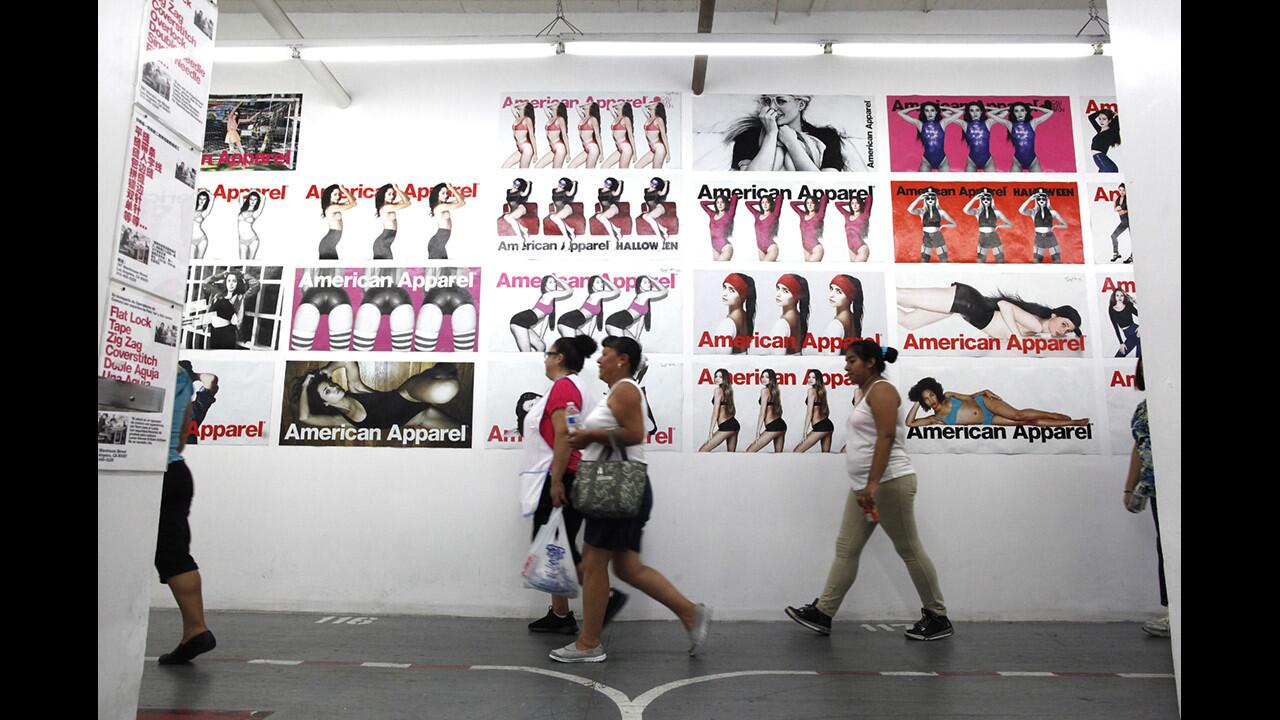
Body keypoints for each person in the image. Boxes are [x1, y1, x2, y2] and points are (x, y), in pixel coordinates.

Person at [553, 336, 711, 662]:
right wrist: (587, 437)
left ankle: (588, 643)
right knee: (627, 568)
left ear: (622, 359)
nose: (599, 360)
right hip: (624, 490)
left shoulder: (625, 389)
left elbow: (635, 433)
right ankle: (691, 614)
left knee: (594, 563)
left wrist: (589, 435)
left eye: (605, 354)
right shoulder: (616, 392)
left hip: (616, 488)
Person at [786, 341, 952, 640]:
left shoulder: (883, 391)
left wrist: (873, 483)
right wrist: (866, 485)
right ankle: (824, 612)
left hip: (889, 483)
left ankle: (938, 617)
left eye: (852, 361)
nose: (846, 367)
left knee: (909, 549)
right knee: (846, 549)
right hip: (865, 488)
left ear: (871, 362)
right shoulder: (866, 392)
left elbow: (887, 436)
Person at [519, 336, 620, 636]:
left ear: (559, 358)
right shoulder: (571, 387)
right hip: (567, 473)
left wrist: (556, 481)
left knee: (556, 545)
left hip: (565, 475)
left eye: (548, 354)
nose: (545, 359)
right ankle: (560, 614)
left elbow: (565, 436)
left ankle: (605, 597)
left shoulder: (564, 387)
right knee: (555, 543)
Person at [154, 365, 216, 664]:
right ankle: (195, 629)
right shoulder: (179, 374)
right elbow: (179, 438)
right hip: (175, 471)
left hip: (140, 473)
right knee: (174, 555)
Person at [1123, 359, 1168, 637]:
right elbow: (1139, 447)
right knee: (1167, 548)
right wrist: (1130, 487)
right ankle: (1173, 611)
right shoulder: (1145, 409)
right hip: (1156, 491)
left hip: (1172, 487)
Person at [297, 361, 462, 431]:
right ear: (325, 403)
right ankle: (437, 374)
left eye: (331, 384)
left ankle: (436, 372)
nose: (334, 387)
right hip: (421, 417)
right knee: (466, 433)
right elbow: (304, 417)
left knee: (446, 389)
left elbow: (347, 360)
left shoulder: (355, 388)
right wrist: (305, 387)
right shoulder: (339, 421)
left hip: (409, 393)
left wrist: (326, 370)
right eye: (328, 392)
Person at [897, 283, 1083, 339]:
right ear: (1055, 315)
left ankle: (873, 295)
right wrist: (1017, 336)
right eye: (1064, 324)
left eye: (1068, 330)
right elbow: (1004, 305)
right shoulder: (1035, 323)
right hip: (966, 302)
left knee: (909, 322)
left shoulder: (1037, 329)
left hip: (965, 307)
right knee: (901, 296)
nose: (1063, 330)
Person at [728, 94, 851, 171]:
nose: (772, 107)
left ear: (801, 105)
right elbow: (749, 183)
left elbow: (826, 187)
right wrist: (771, 135)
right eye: (766, 100)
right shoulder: (747, 136)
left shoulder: (826, 136)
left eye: (781, 101)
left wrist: (791, 143)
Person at [906, 377, 1088, 427]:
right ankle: (1072, 423)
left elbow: (969, 397)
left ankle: (1052, 415)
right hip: (988, 421)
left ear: (936, 393)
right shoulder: (935, 419)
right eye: (925, 399)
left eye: (931, 395)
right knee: (1026, 422)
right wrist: (916, 400)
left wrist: (983, 391)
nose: (930, 400)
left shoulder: (949, 395)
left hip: (985, 404)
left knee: (1018, 415)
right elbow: (910, 423)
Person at [290, 268, 354, 351]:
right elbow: (338, 282)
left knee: (299, 351)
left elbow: (306, 286)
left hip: (313, 295)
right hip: (338, 296)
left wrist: (309, 296)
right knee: (339, 353)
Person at [510, 275, 573, 352]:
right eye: (550, 282)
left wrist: (541, 336)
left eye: (554, 282)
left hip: (524, 323)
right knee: (526, 353)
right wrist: (558, 279)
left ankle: (535, 362)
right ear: (545, 286)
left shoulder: (550, 299)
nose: (554, 284)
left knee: (541, 346)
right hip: (520, 321)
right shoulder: (549, 295)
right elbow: (570, 290)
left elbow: (546, 320)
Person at [202, 269, 260, 350]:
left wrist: (242, 275)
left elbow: (255, 284)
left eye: (234, 281)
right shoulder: (218, 294)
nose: (231, 284)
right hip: (214, 332)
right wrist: (222, 275)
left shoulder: (240, 298)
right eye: (229, 281)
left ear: (238, 283)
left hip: (227, 333)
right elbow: (205, 283)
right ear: (225, 282)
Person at [897, 102, 961, 172]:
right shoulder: (920, 124)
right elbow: (900, 113)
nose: (930, 113)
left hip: (942, 161)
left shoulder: (943, 123)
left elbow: (960, 112)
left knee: (947, 183)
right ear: (924, 112)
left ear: (936, 112)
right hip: (926, 161)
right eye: (927, 111)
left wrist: (942, 107)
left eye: (932, 110)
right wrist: (917, 108)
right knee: (922, 183)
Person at [993, 102, 1054, 172]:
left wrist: (1033, 107)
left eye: (1022, 110)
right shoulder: (1010, 125)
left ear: (1026, 112)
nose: (1019, 113)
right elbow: (989, 114)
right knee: (1012, 183)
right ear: (1013, 113)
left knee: (1039, 182)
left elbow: (1050, 112)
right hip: (1017, 161)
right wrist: (1007, 108)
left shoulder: (1033, 123)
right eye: (1016, 111)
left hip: (1033, 161)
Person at [604, 276, 669, 341]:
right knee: (622, 346)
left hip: (620, 323)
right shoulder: (643, 295)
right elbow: (665, 291)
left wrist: (637, 337)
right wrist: (653, 280)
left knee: (635, 345)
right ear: (639, 286)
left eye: (649, 282)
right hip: (615, 322)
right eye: (645, 282)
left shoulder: (645, 300)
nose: (648, 284)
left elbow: (641, 322)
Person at [556, 275, 621, 338]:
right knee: (572, 346)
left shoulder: (597, 299)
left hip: (571, 321)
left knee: (584, 345)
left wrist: (589, 336)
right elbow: (617, 291)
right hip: (569, 320)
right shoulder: (596, 295)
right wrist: (605, 280)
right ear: (592, 286)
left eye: (601, 282)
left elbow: (594, 320)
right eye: (598, 282)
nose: (601, 284)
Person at [1018, 189, 1068, 264]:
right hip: (1039, 238)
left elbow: (1065, 225)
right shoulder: (1033, 212)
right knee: (1037, 261)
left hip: (1050, 237)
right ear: (1036, 200)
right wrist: (1030, 198)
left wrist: (1056, 226)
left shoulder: (1053, 212)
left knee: (1057, 261)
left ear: (1047, 200)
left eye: (1043, 199)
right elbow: (1021, 210)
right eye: (1039, 199)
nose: (1041, 200)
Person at [963, 189, 1012, 264]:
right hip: (982, 236)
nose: (986, 200)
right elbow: (965, 210)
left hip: (993, 236)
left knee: (1000, 259)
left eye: (988, 198)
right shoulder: (978, 211)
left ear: (991, 200)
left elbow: (1009, 224)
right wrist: (974, 199)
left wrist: (999, 226)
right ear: (981, 200)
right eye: (983, 198)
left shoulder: (996, 212)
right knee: (981, 259)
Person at [906, 188, 956, 263]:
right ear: (925, 200)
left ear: (936, 199)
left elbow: (954, 224)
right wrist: (918, 199)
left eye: (932, 198)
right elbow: (910, 210)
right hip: (926, 237)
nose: (930, 200)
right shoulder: (922, 211)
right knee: (924, 260)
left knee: (944, 260)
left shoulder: (941, 212)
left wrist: (943, 226)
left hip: (938, 237)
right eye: (927, 198)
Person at [767, 273, 810, 356]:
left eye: (785, 291)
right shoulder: (798, 316)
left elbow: (777, 359)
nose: (778, 294)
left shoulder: (782, 324)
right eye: (778, 288)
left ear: (796, 295)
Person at [698, 368, 740, 452]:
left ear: (725, 378)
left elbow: (715, 412)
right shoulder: (728, 391)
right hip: (734, 424)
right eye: (716, 376)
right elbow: (732, 410)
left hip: (726, 426)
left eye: (720, 377)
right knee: (731, 455)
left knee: (702, 451)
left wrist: (710, 431)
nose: (717, 378)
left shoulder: (717, 390)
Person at [715, 273, 756, 356]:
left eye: (731, 290)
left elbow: (722, 360)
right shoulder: (745, 315)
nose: (725, 294)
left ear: (742, 295)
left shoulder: (728, 324)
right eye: (724, 287)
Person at [746, 368, 786, 452]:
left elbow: (762, 413)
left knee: (749, 451)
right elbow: (778, 410)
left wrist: (758, 431)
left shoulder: (764, 391)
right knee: (779, 457)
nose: (763, 379)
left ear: (772, 379)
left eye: (767, 377)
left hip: (773, 427)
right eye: (762, 376)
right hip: (781, 424)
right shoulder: (775, 391)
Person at [793, 369, 834, 452]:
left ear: (818, 379)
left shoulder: (811, 391)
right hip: (827, 424)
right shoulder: (822, 391)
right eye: (809, 377)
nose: (810, 379)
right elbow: (826, 411)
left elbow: (809, 413)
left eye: (813, 377)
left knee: (796, 451)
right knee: (826, 457)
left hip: (820, 426)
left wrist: (805, 431)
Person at [372, 184, 412, 260]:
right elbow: (407, 203)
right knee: (386, 269)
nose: (392, 196)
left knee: (387, 269)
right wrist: (396, 189)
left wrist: (397, 189)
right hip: (382, 244)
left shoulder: (390, 205)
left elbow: (408, 199)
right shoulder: (387, 207)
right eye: (389, 194)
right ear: (383, 195)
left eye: (393, 194)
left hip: (385, 243)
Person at [824, 274, 864, 350]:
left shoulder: (836, 325)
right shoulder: (853, 317)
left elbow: (831, 358)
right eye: (831, 289)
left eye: (838, 291)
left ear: (850, 296)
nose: (831, 295)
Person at [427, 183, 466, 260]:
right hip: (437, 244)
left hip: (439, 243)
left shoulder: (443, 205)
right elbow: (461, 203)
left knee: (444, 268)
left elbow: (462, 198)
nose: (446, 195)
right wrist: (450, 188)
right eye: (443, 193)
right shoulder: (440, 207)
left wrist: (451, 188)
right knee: (438, 269)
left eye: (447, 193)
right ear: (436, 195)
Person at [319, 184, 357, 260]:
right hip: (327, 245)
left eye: (339, 194)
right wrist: (343, 189)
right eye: (335, 194)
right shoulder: (332, 208)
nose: (338, 196)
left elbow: (354, 200)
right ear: (329, 196)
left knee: (332, 269)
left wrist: (344, 191)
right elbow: (353, 204)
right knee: (328, 270)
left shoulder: (335, 206)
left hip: (330, 245)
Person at [834, 192, 872, 262]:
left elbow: (869, 198)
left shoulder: (864, 215)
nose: (854, 205)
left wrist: (859, 198)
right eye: (852, 203)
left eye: (857, 203)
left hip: (861, 248)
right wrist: (849, 202)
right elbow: (837, 204)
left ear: (860, 204)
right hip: (851, 250)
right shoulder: (847, 215)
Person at [745, 192, 782, 261]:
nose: (764, 205)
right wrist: (759, 202)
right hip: (760, 248)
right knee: (763, 270)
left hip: (771, 248)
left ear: (771, 203)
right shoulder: (757, 215)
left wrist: (772, 198)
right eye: (762, 202)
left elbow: (779, 197)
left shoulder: (774, 215)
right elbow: (747, 204)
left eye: (767, 202)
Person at [790, 195, 828, 262]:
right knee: (808, 271)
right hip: (805, 249)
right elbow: (792, 204)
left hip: (816, 248)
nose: (809, 205)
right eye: (808, 203)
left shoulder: (819, 215)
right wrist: (804, 202)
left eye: (812, 203)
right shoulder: (802, 215)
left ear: (815, 204)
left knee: (812, 269)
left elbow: (824, 198)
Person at [700, 195, 737, 261]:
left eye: (722, 202)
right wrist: (714, 202)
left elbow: (735, 197)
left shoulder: (729, 215)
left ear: (725, 203)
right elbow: (702, 203)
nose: (719, 205)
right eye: (718, 202)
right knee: (717, 270)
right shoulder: (712, 214)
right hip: (715, 249)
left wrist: (728, 201)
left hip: (725, 248)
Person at [503, 102, 538, 169]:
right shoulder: (518, 118)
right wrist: (518, 105)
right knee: (505, 166)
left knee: (523, 170)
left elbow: (532, 137)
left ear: (526, 108)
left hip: (527, 148)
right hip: (520, 148)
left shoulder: (527, 120)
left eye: (523, 104)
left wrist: (535, 154)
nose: (520, 103)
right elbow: (512, 106)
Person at [636, 102, 670, 169]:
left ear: (657, 108)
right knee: (637, 167)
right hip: (652, 148)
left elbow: (664, 136)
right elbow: (643, 106)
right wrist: (653, 103)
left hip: (659, 148)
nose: (651, 104)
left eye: (653, 104)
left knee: (656, 170)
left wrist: (668, 153)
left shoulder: (659, 120)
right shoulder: (649, 118)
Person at [569, 102, 603, 169]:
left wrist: (601, 153)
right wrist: (587, 104)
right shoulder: (584, 118)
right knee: (571, 166)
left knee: (589, 169)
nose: (586, 104)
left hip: (593, 148)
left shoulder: (593, 119)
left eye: (588, 104)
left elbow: (598, 137)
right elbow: (577, 106)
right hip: (586, 148)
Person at [536, 102, 571, 169]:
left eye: (555, 104)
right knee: (538, 167)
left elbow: (565, 136)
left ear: (559, 108)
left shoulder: (560, 119)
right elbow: (544, 106)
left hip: (559, 148)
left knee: (556, 169)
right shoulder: (551, 118)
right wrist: (551, 105)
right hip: (553, 148)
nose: (552, 104)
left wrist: (568, 153)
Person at [602, 103, 636, 169]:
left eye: (621, 104)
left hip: (626, 148)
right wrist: (619, 104)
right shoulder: (617, 117)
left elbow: (631, 136)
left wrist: (634, 153)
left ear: (624, 107)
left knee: (622, 170)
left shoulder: (626, 119)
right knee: (604, 166)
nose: (618, 104)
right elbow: (610, 105)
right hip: (619, 147)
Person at [1109, 288, 1141, 358]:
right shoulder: (1111, 309)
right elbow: (1116, 328)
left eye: (1121, 295)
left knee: (1139, 359)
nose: (1119, 298)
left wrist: (1141, 327)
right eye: (1117, 295)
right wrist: (1121, 343)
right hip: (1129, 335)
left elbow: (1142, 315)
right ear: (1114, 297)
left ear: (1124, 296)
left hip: (1136, 332)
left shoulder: (1128, 306)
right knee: (1117, 358)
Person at [1088, 107, 1121, 173]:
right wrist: (1102, 111)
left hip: (1101, 157)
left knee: (1105, 175)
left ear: (1109, 120)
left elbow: (1118, 120)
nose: (1101, 121)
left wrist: (1116, 115)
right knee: (1102, 178)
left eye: (1104, 119)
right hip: (1101, 159)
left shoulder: (1111, 132)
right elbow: (1091, 117)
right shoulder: (1100, 130)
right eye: (1100, 119)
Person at [640, 177, 671, 243]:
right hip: (653, 209)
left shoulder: (658, 191)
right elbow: (647, 201)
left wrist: (666, 183)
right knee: (644, 216)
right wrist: (647, 209)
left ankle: (660, 238)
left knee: (648, 217)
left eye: (655, 183)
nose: (653, 184)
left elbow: (663, 193)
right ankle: (663, 229)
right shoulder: (645, 190)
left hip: (660, 208)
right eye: (652, 182)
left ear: (657, 185)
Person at [593, 178, 625, 243]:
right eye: (606, 182)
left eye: (609, 184)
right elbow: (601, 201)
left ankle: (613, 238)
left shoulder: (611, 192)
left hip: (613, 208)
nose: (606, 184)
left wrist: (621, 183)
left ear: (611, 185)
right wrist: (601, 210)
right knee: (597, 216)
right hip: (607, 210)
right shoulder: (600, 190)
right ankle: (616, 229)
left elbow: (617, 193)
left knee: (602, 217)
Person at [548, 177, 579, 243]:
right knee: (552, 216)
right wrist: (555, 211)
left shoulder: (566, 192)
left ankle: (567, 238)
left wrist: (575, 184)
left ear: (566, 186)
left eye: (563, 184)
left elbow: (571, 193)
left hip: (567, 208)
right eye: (560, 182)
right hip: (560, 210)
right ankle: (570, 229)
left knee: (555, 217)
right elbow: (555, 202)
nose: (561, 184)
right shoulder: (554, 190)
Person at [237, 191, 265, 260]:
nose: (253, 201)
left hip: (253, 240)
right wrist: (251, 191)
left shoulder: (256, 212)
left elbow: (263, 197)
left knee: (250, 262)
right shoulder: (242, 208)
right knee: (242, 263)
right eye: (251, 199)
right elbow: (241, 195)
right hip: (242, 240)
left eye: (255, 199)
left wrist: (255, 190)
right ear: (248, 199)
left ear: (257, 201)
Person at [1110, 183, 1131, 263]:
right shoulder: (1117, 198)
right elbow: (1115, 209)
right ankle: (1116, 253)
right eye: (1120, 190)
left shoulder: (1128, 198)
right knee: (1113, 236)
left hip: (1128, 220)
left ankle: (1132, 257)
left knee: (1133, 239)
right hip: (1123, 221)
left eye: (1123, 190)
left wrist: (1122, 210)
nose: (1122, 192)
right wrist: (1115, 204)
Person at [192, 190, 212, 259]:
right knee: (191, 261)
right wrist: (198, 192)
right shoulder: (191, 209)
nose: (202, 201)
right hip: (191, 240)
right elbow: (192, 196)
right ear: (197, 199)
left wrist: (205, 191)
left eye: (204, 199)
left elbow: (213, 197)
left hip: (202, 239)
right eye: (200, 198)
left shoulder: (204, 212)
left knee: (199, 261)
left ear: (206, 201)